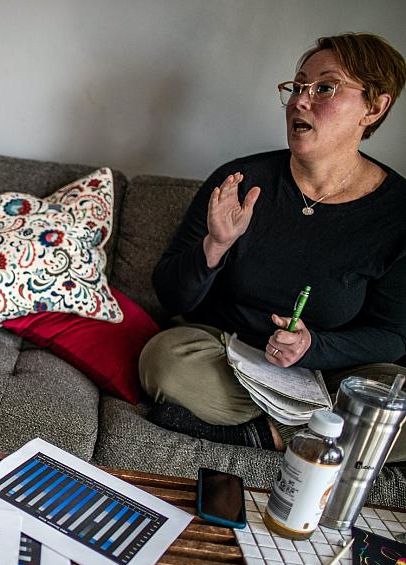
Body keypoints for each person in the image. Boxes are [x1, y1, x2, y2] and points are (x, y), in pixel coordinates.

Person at [139, 33, 406, 463]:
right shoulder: (240, 180)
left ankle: (265, 436)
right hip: (230, 356)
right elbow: (171, 296)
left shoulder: (398, 213)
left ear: (374, 108)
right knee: (164, 361)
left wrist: (312, 347)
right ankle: (313, 435)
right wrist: (215, 245)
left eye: (325, 88)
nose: (301, 101)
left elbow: (393, 336)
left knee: (398, 404)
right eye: (298, 87)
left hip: (330, 372)